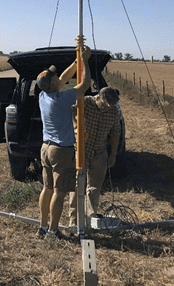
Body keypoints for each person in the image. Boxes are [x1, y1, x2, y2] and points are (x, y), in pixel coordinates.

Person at [35, 45, 88, 239]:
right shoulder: (62, 98)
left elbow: (63, 79)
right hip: (60, 151)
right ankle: (53, 230)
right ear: (52, 84)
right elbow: (85, 85)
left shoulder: (43, 95)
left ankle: (43, 226)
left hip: (45, 148)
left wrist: (77, 62)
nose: (59, 78)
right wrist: (85, 63)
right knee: (59, 191)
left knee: (47, 188)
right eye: (55, 77)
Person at [79, 85, 124, 221]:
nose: (107, 108)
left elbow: (116, 133)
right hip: (82, 150)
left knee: (94, 186)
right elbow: (72, 112)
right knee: (77, 185)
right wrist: (76, 126)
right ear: (97, 97)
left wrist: (113, 154)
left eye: (110, 106)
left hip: (99, 151)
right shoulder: (86, 102)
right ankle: (76, 218)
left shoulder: (114, 110)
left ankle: (90, 215)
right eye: (104, 105)